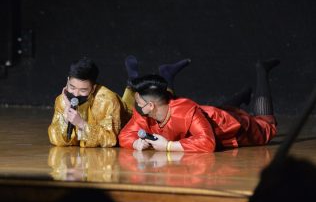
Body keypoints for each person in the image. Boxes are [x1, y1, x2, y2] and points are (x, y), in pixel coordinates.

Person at [118, 59, 279, 152]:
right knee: (214, 111)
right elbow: (124, 135)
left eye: (139, 103)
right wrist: (135, 143)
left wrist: (168, 146)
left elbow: (207, 142)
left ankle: (262, 70)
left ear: (151, 105)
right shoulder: (145, 114)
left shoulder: (185, 112)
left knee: (267, 126)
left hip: (229, 128)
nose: (136, 107)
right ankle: (242, 96)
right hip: (208, 115)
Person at [48, 55, 191, 148]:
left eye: (83, 91)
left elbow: (110, 139)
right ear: (67, 81)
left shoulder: (106, 100)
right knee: (127, 100)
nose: (75, 94)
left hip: (130, 115)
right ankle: (132, 82)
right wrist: (66, 121)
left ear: (94, 88)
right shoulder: (62, 100)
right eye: (72, 87)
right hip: (122, 105)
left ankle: (166, 76)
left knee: (161, 101)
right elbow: (56, 139)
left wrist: (81, 124)